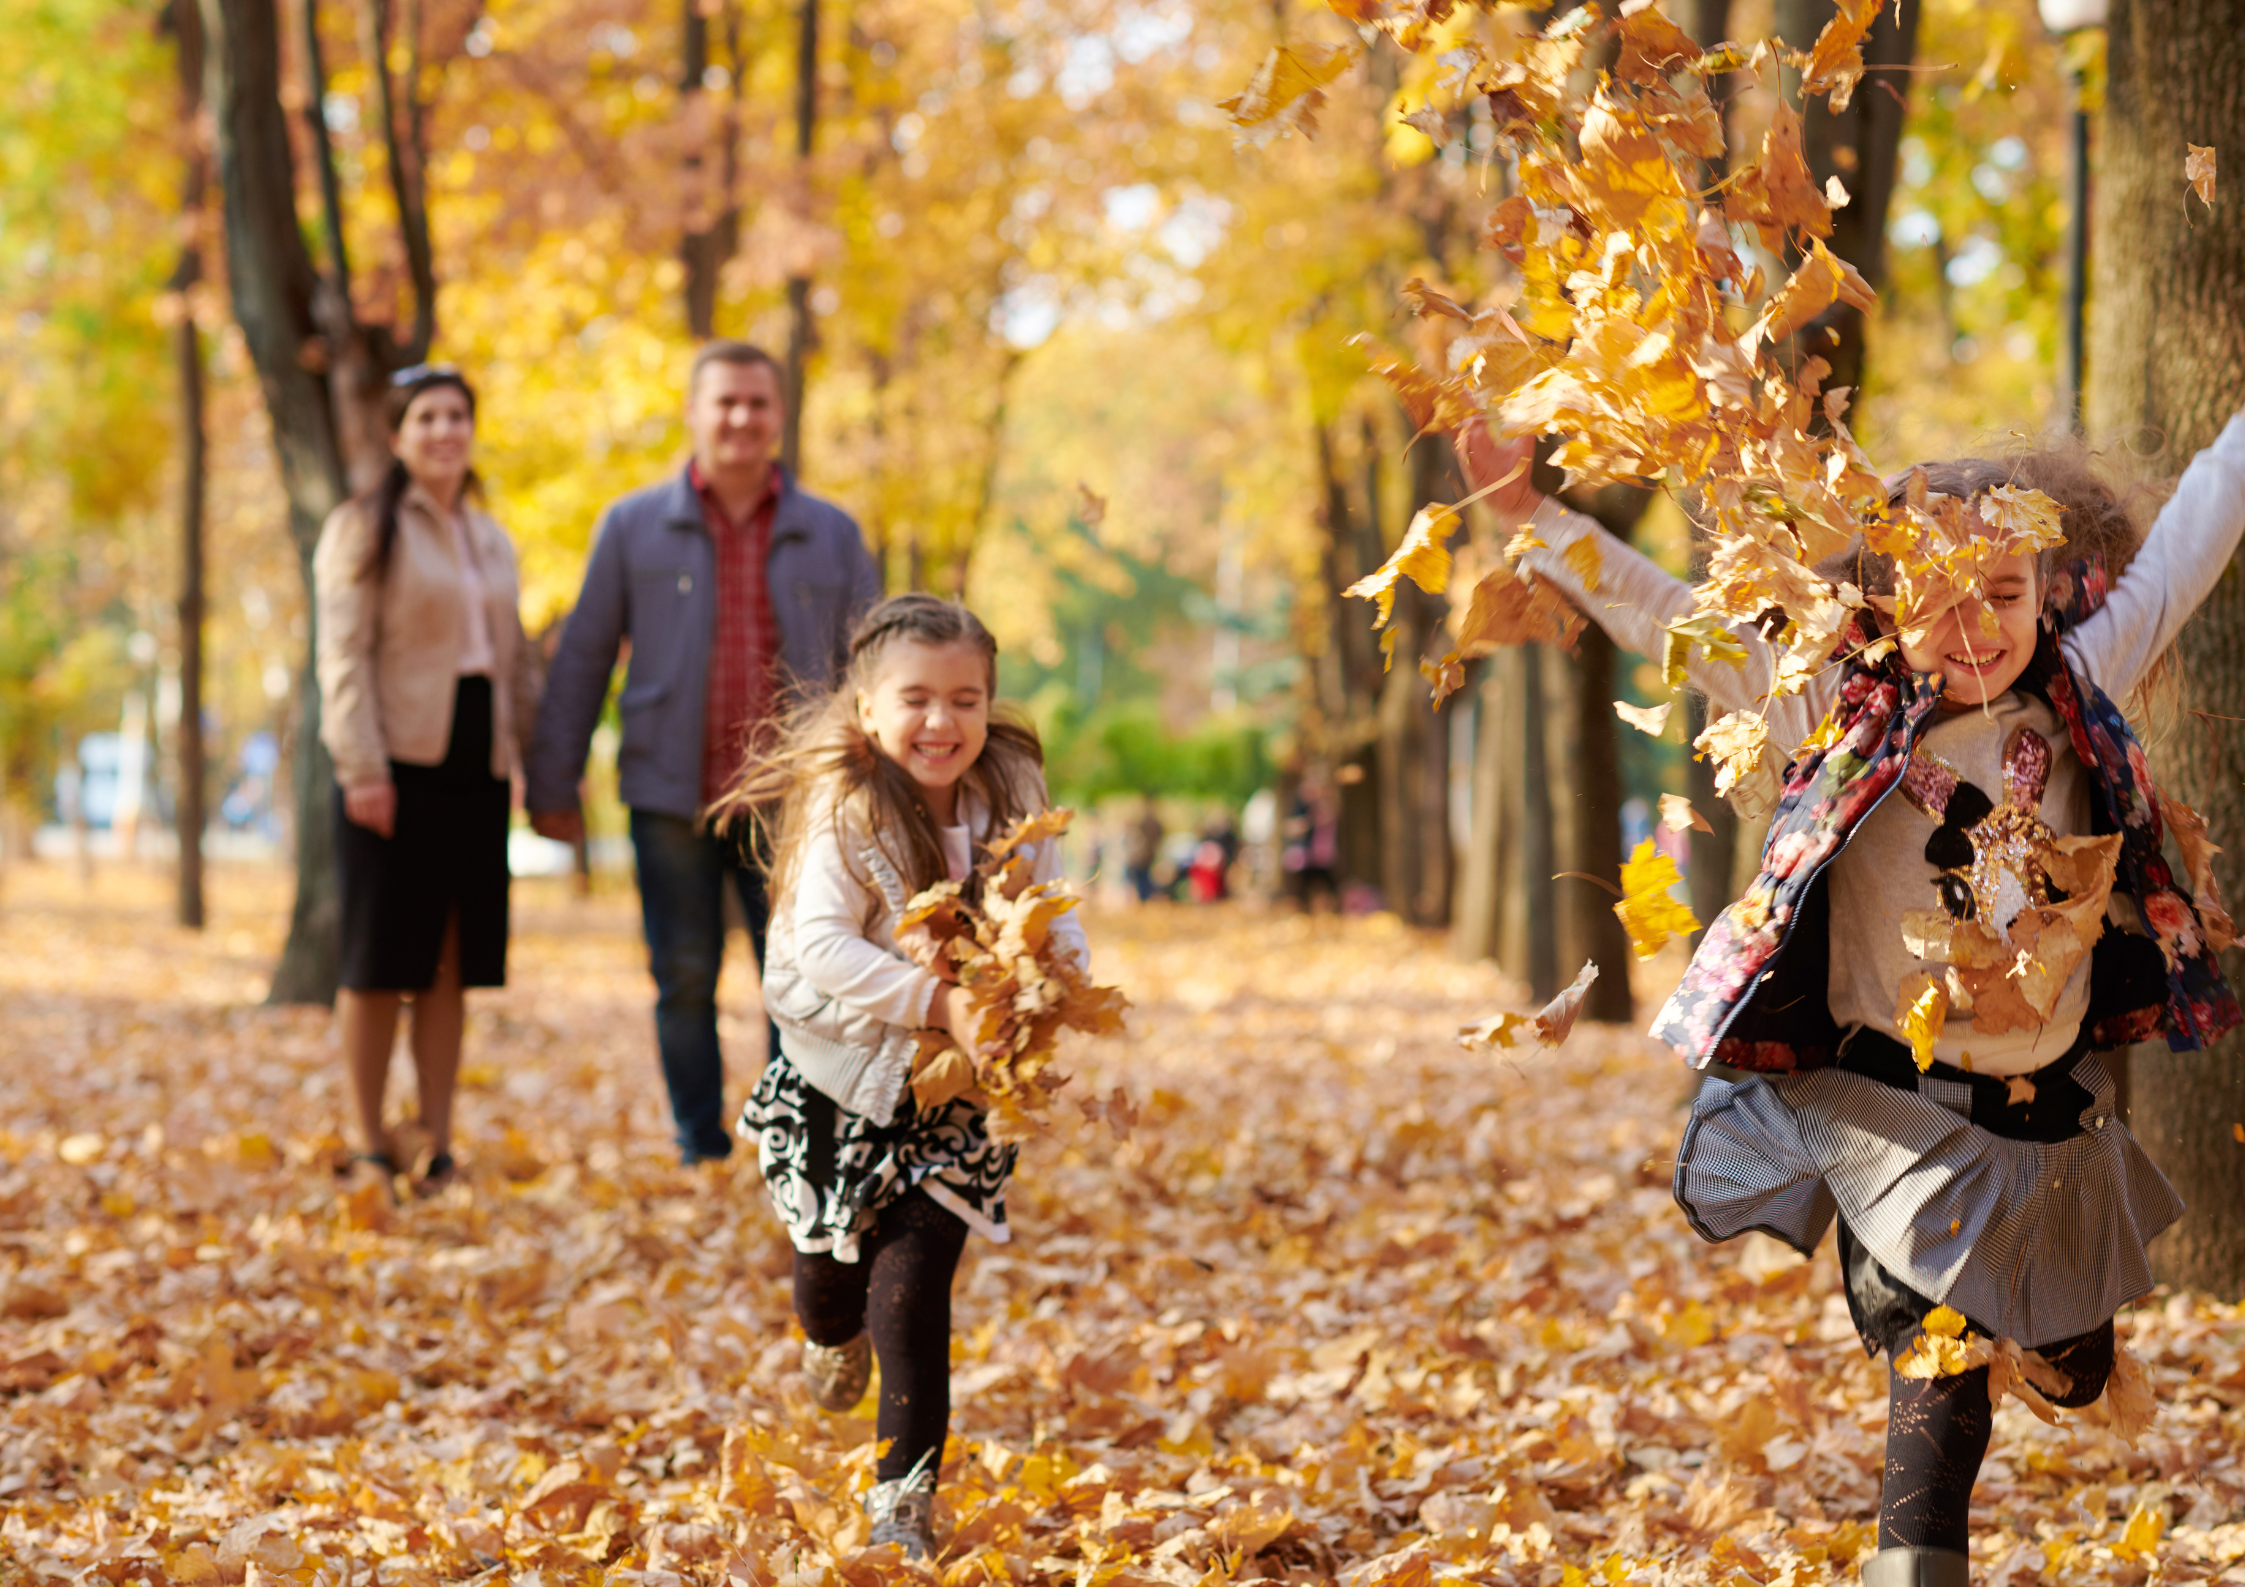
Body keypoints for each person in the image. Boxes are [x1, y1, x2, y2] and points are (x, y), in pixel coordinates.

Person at [1455, 412, 2245, 1587]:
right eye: (1936, 595)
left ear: (2046, 591)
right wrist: (1532, 520)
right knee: (1937, 1380)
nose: (1973, 622)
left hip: (2045, 1110)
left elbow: (2190, 539)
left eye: (2003, 590)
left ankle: (2059, 1344)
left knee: (2072, 1362)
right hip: (1892, 1113)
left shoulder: (2083, 682)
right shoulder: (1827, 701)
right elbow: (1671, 618)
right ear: (1881, 599)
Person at [716, 594, 1086, 1559]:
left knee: (912, 1291)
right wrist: (938, 1002)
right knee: (832, 1285)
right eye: (915, 698)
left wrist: (1058, 973)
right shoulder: (845, 804)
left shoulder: (1011, 789)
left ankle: (901, 1502)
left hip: (948, 1098)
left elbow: (1052, 907)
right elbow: (820, 949)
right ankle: (824, 1333)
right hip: (839, 1082)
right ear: (868, 709)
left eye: (965, 698)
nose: (940, 721)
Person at [526, 341, 880, 1165]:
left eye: (757, 403)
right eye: (724, 401)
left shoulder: (829, 533)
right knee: (682, 976)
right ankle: (698, 1140)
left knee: (801, 980)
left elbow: (878, 660)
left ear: (778, 417)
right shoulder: (633, 523)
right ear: (693, 412)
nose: (740, 418)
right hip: (668, 791)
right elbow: (582, 655)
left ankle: (791, 1144)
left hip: (795, 805)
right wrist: (553, 779)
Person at [313, 363, 542, 1197]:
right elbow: (342, 656)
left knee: (452, 960)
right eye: (427, 418)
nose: (445, 431)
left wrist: (523, 758)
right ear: (397, 435)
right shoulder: (362, 528)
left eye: (457, 417)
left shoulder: (488, 535)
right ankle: (372, 1138)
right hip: (394, 761)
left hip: (474, 765)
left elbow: (512, 660)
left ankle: (434, 1138)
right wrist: (361, 765)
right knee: (379, 960)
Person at [1121, 797, 1163, 903]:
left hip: (1143, 857)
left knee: (1142, 879)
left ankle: (1144, 898)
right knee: (1144, 878)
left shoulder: (1142, 824)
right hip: (1147, 856)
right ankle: (1144, 898)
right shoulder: (1150, 823)